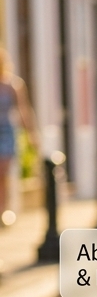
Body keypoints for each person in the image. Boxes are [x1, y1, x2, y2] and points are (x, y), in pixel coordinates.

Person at [0, 47, 38, 226]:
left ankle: (3, 210)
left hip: (6, 132)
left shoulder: (13, 85)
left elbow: (23, 110)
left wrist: (31, 133)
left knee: (4, 173)